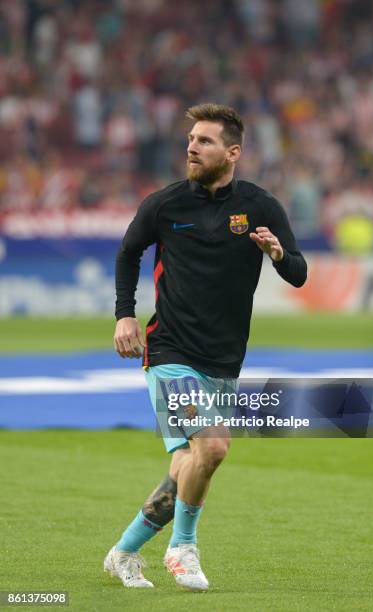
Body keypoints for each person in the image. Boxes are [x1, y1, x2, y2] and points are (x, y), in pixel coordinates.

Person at [104, 103, 307, 591]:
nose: (192, 146)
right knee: (213, 446)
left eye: (205, 140)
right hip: (170, 350)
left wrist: (277, 254)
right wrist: (125, 314)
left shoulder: (260, 206)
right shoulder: (165, 204)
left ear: (233, 152)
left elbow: (298, 272)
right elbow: (129, 253)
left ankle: (124, 552)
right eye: (191, 139)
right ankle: (183, 548)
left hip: (224, 359)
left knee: (187, 469)